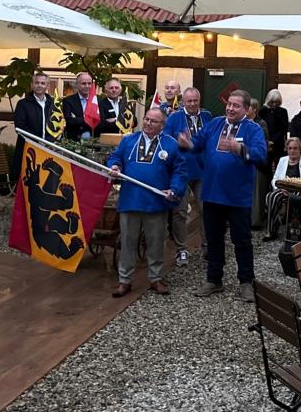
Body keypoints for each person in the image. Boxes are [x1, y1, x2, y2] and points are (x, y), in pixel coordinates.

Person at [177, 89, 266, 303]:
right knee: (214, 239)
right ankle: (214, 279)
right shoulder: (215, 123)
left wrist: (240, 148)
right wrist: (187, 143)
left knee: (242, 240)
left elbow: (261, 155)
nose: (230, 108)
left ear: (246, 109)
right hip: (212, 193)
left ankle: (246, 282)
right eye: (229, 104)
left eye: (236, 105)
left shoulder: (253, 129)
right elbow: (197, 143)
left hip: (238, 196)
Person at [107, 108, 186, 297]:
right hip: (130, 200)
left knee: (156, 242)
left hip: (155, 202)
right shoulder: (129, 140)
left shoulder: (171, 145)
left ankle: (155, 278)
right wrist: (115, 166)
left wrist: (175, 189)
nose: (148, 123)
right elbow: (115, 157)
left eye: (154, 121)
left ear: (162, 125)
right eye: (147, 119)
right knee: (127, 242)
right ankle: (124, 280)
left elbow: (180, 171)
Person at [163, 87, 211, 266]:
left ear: (199, 100)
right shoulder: (174, 118)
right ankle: (181, 249)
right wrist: (178, 143)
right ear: (183, 102)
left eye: (195, 100)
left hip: (203, 171)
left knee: (206, 210)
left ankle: (208, 246)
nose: (192, 104)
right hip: (181, 172)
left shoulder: (207, 116)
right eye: (189, 101)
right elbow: (165, 141)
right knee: (180, 212)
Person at [265, 137, 301, 241]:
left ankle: (295, 232)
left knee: (296, 198)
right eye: (290, 148)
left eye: (295, 148)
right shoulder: (282, 160)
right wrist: (280, 187)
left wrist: (299, 187)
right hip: (283, 189)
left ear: (300, 149)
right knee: (271, 196)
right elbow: (275, 178)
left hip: (300, 190)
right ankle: (271, 230)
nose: (292, 151)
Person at [12, 71, 54, 182]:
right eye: (37, 83)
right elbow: (19, 126)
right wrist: (38, 140)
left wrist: (50, 141)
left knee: (45, 179)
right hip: (28, 148)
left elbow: (57, 125)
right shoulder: (23, 104)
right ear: (32, 85)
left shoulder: (53, 103)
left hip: (49, 148)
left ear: (47, 86)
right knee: (29, 181)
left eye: (43, 83)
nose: (39, 85)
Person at [247, 98, 272, 227]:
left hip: (258, 164)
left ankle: (255, 221)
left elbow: (262, 142)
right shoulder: (243, 122)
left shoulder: (261, 123)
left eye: (248, 107)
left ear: (255, 109)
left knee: (256, 194)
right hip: (245, 162)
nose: (246, 110)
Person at [259, 89, 290, 173]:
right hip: (265, 143)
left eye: (277, 102)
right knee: (265, 168)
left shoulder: (283, 112)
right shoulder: (263, 111)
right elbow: (260, 127)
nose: (274, 104)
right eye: (272, 102)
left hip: (278, 144)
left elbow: (283, 129)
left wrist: (273, 141)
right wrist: (267, 141)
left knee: (279, 167)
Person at [62, 72, 97, 141]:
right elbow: (70, 121)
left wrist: (78, 119)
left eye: (89, 83)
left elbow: (101, 122)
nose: (87, 86)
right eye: (83, 83)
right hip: (74, 140)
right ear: (77, 85)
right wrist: (91, 118)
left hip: (94, 141)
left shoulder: (97, 101)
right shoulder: (68, 101)